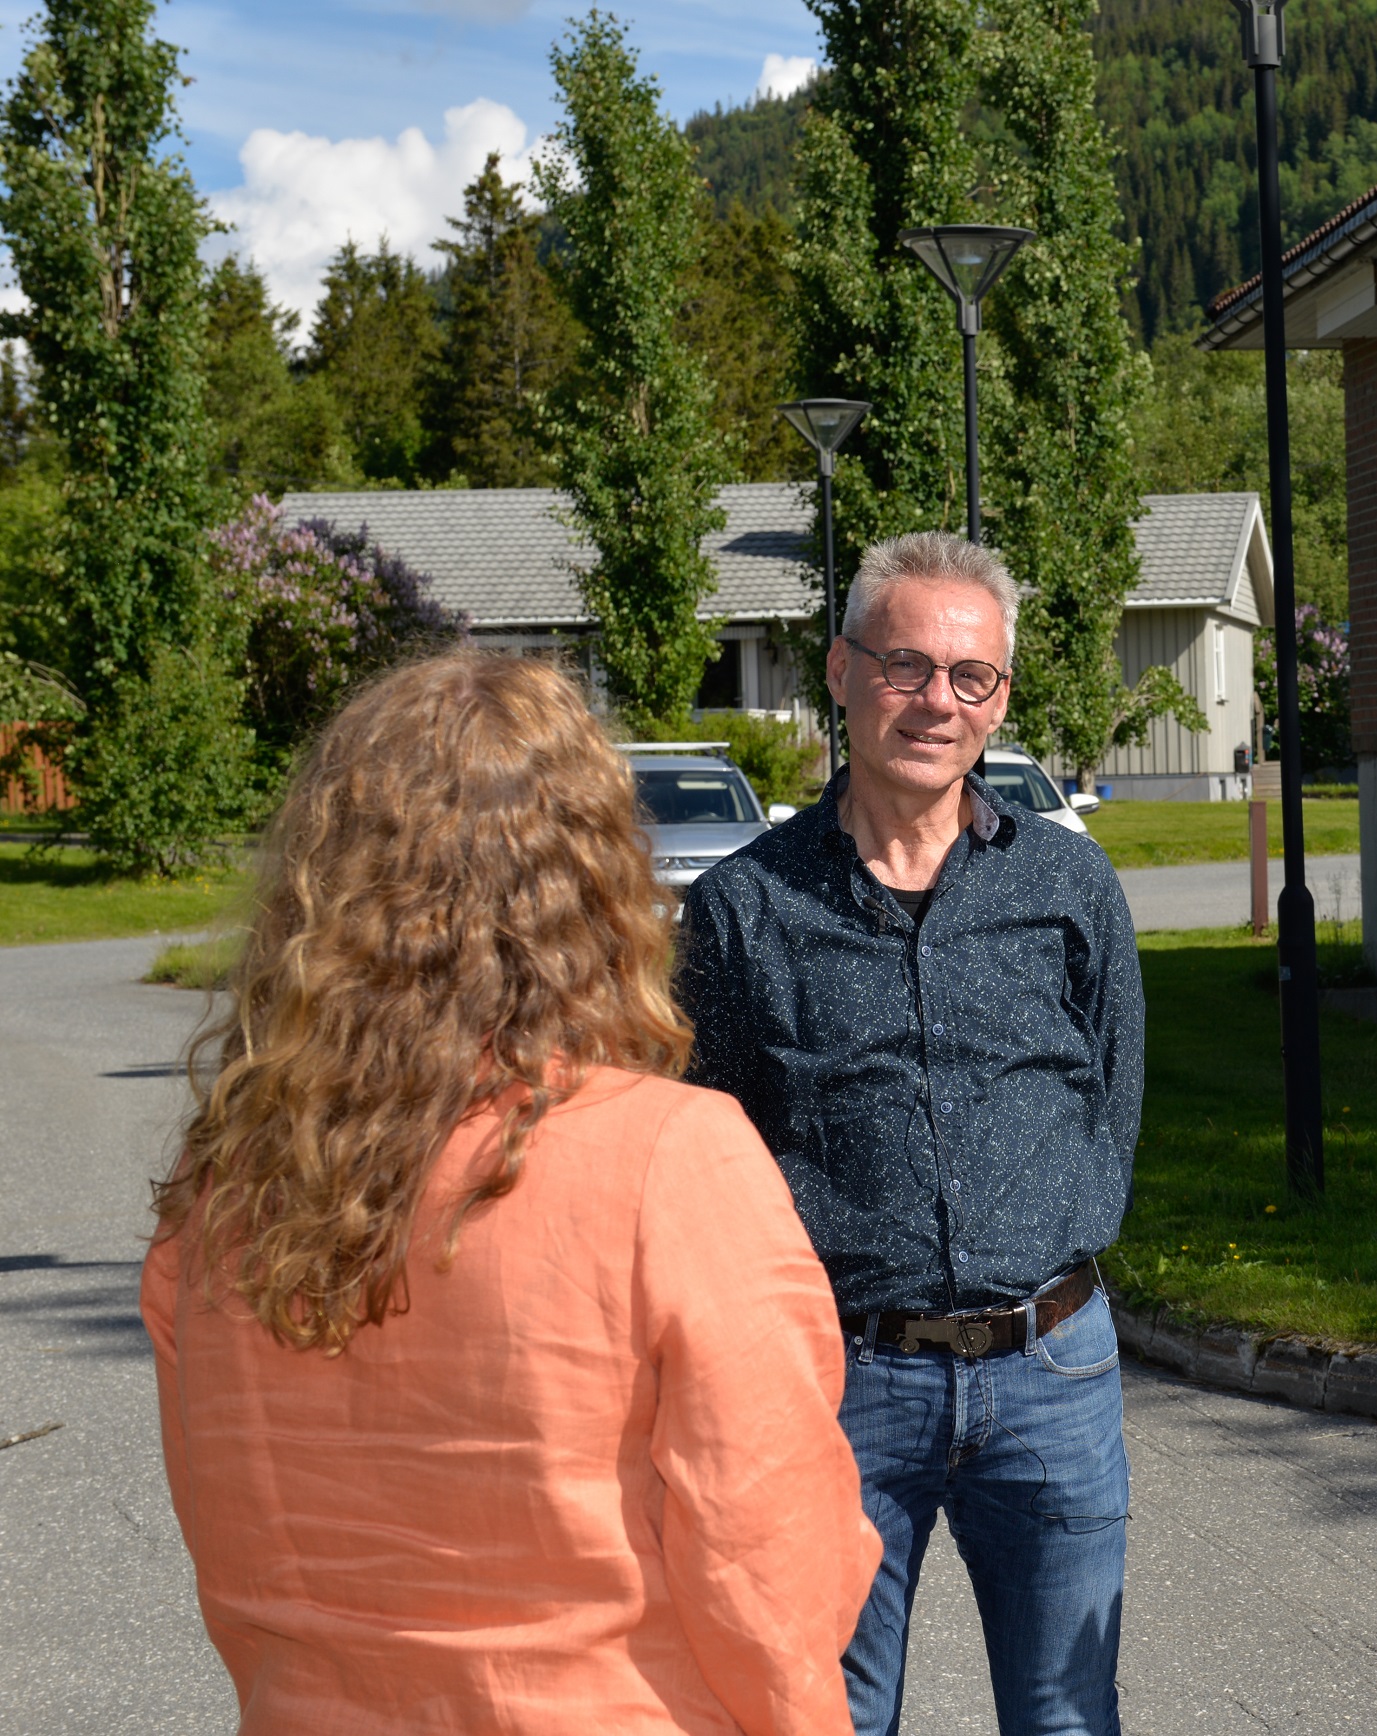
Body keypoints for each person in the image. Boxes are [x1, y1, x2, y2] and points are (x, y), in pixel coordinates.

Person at [142, 652, 872, 1734]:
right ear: (593, 876)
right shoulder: (672, 1160)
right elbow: (773, 1570)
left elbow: (228, 1530)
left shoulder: (230, 1182)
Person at [678, 531, 1142, 1736]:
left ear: (999, 698)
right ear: (840, 671)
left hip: (1052, 1370)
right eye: (905, 665)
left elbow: (1110, 1095)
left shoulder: (1071, 889)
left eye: (970, 675)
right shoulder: (742, 906)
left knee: (1068, 1715)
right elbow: (704, 1156)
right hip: (839, 1381)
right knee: (828, 1713)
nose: (938, 699)